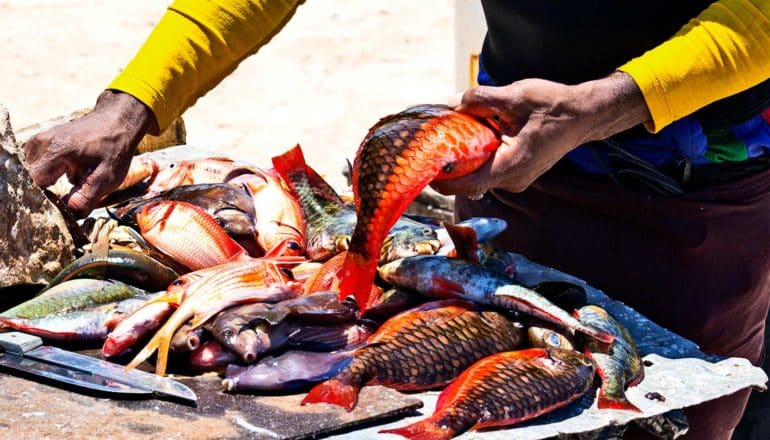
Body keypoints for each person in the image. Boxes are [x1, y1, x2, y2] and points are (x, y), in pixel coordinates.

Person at [22, 1, 770, 438]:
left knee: (660, 419)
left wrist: (605, 105)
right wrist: (132, 103)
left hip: (695, 202)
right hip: (503, 160)